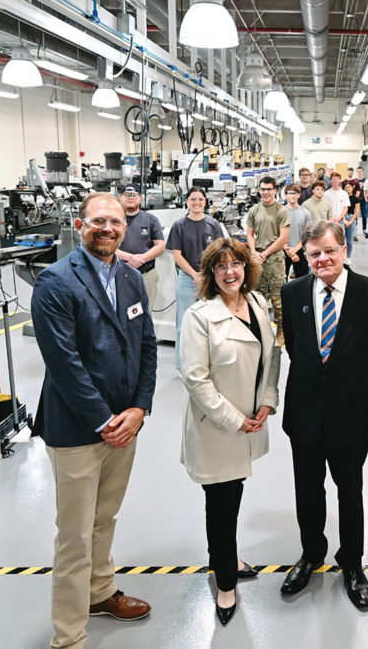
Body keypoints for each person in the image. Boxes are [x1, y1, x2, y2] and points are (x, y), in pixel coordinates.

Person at [31, 192, 158, 649]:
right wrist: (105, 420)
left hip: (125, 426)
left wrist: (139, 409)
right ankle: (68, 636)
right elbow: (64, 365)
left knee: (105, 517)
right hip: (78, 430)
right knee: (74, 536)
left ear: (127, 226)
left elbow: (146, 347)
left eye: (117, 222)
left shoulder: (130, 277)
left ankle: (100, 592)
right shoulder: (55, 282)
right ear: (80, 225)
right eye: (98, 221)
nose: (108, 228)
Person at [279, 221, 368, 609]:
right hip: (305, 411)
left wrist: (353, 387)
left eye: (329, 251)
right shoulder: (292, 292)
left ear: (343, 249)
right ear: (305, 256)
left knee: (351, 491)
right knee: (307, 491)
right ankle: (311, 554)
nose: (322, 260)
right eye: (313, 254)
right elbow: (296, 346)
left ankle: (352, 563)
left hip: (351, 413)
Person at [179, 237, 281, 626]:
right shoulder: (200, 316)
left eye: (235, 263)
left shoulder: (257, 304)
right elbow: (195, 378)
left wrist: (268, 401)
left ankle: (227, 556)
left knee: (232, 497)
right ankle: (225, 582)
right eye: (220, 266)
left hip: (251, 421)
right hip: (218, 428)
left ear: (246, 267)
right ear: (209, 274)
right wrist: (236, 419)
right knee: (221, 506)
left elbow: (271, 357)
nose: (229, 272)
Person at [168, 187, 226, 373]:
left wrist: (207, 275)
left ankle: (208, 364)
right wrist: (195, 275)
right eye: (193, 199)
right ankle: (182, 365)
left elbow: (220, 253)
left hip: (210, 277)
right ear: (186, 201)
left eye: (200, 199)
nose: (196, 203)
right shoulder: (179, 225)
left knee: (211, 322)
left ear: (205, 202)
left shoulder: (213, 225)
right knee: (184, 323)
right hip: (187, 279)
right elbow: (176, 254)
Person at [245, 176, 290, 343]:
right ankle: (260, 328)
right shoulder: (254, 210)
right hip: (257, 257)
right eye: (263, 189)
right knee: (256, 295)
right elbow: (249, 234)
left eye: (269, 189)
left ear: (275, 191)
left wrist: (265, 253)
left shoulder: (281, 210)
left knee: (278, 296)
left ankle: (281, 329)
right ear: (259, 190)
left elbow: (283, 238)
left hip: (275, 257)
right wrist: (254, 251)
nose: (266, 192)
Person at [116, 182, 166, 305]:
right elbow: (108, 247)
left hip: (146, 275)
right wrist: (130, 258)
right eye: (126, 194)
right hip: (118, 274)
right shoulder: (113, 219)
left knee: (146, 313)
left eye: (134, 194)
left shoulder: (151, 219)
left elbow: (160, 246)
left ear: (141, 198)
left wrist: (141, 259)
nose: (130, 197)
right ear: (119, 197)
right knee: (119, 313)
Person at [283, 183, 311, 279]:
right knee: (281, 282)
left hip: (300, 250)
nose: (293, 196)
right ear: (286, 195)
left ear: (299, 195)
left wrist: (294, 250)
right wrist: (288, 250)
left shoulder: (305, 213)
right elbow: (276, 234)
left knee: (302, 281)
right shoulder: (280, 212)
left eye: (295, 193)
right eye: (290, 193)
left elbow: (306, 235)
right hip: (283, 250)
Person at [340, 180, 360, 254]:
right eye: (346, 187)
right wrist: (344, 220)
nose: (347, 188)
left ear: (352, 188)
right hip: (342, 218)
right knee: (341, 240)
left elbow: (357, 211)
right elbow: (340, 210)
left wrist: (351, 221)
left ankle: (348, 257)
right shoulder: (341, 198)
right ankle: (341, 256)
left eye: (349, 187)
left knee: (349, 241)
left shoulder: (356, 199)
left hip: (351, 218)